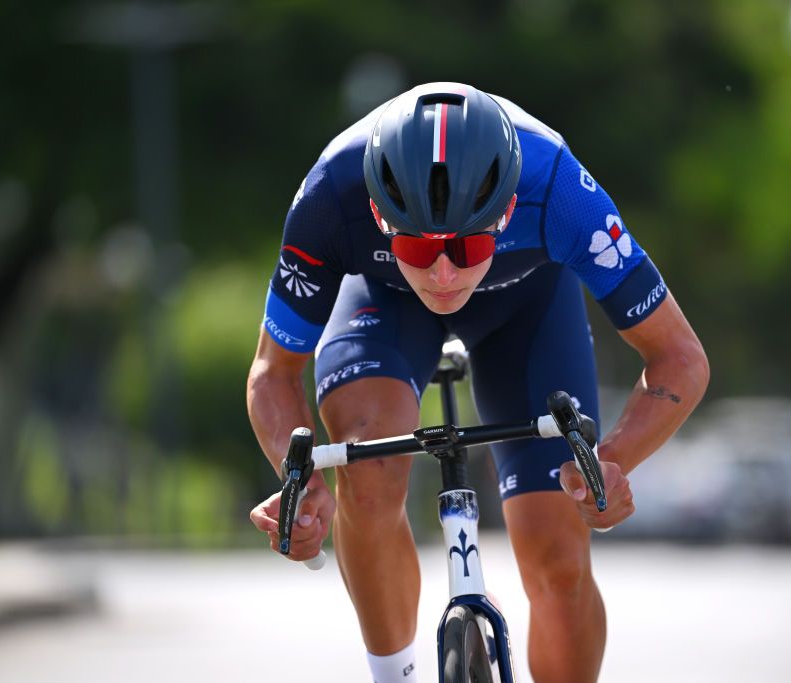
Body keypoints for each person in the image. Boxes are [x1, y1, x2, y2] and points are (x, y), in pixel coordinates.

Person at [247, 82, 709, 683]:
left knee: (559, 557)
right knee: (365, 471)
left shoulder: (558, 188)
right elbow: (272, 372)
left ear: (509, 210)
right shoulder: (332, 193)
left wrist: (611, 463)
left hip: (526, 305)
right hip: (385, 303)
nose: (442, 273)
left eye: (468, 246)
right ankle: (394, 676)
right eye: (416, 244)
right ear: (380, 215)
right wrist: (297, 477)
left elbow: (680, 360)